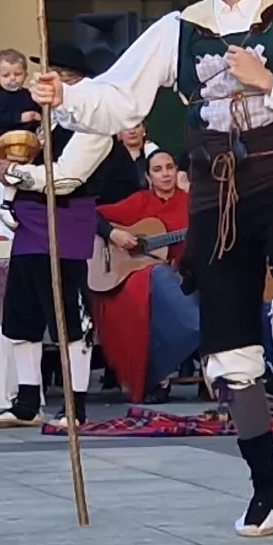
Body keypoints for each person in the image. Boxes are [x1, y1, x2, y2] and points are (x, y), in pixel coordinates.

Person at [31, 0, 273, 534]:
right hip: (213, 195)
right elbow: (120, 98)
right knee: (233, 352)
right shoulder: (180, 28)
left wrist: (270, 84)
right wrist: (65, 95)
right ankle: (266, 484)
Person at [0, 56, 115, 429]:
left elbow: (64, 180)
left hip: (66, 222)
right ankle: (27, 402)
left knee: (68, 317)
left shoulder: (94, 126)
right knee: (20, 314)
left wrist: (13, 172)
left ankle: (75, 406)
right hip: (29, 222)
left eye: (55, 80)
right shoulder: (47, 122)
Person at [93, 147, 189, 399]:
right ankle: (154, 375)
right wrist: (114, 234)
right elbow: (91, 215)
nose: (166, 174)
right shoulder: (139, 202)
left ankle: (158, 373)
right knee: (153, 279)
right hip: (130, 278)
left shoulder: (192, 204)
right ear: (148, 177)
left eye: (170, 167)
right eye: (158, 170)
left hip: (179, 277)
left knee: (161, 280)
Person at [0, 48, 38, 146]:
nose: (12, 78)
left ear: (25, 75)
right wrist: (19, 118)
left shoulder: (30, 95)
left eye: (17, 74)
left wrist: (38, 116)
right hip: (2, 147)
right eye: (6, 75)